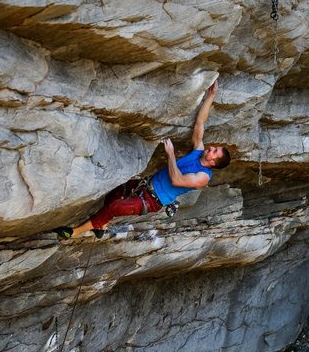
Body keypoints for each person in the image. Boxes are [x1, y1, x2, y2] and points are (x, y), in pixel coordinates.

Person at [54, 79, 230, 240]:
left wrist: (170, 154)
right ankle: (101, 225)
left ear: (213, 162)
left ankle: (73, 232)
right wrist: (211, 95)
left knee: (115, 207)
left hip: (152, 200)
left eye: (214, 151)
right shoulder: (198, 151)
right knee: (116, 191)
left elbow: (177, 180)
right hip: (145, 186)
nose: (211, 148)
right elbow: (200, 122)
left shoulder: (203, 177)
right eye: (214, 147)